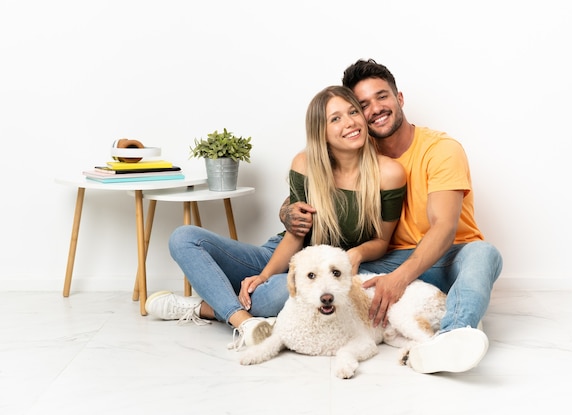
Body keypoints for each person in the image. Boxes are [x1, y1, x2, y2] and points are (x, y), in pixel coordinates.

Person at [280, 59, 503, 374]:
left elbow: (444, 228)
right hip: (386, 259)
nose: (375, 109)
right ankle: (225, 310)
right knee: (297, 286)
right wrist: (287, 212)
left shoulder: (441, 149)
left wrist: (400, 279)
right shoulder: (356, 145)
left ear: (399, 99)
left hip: (446, 258)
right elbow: (304, 189)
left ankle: (452, 337)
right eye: (363, 104)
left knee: (485, 253)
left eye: (382, 97)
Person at [146, 85, 407, 351]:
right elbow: (296, 235)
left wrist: (357, 254)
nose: (350, 122)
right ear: (321, 132)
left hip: (322, 272)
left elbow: (381, 241)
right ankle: (245, 322)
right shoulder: (305, 164)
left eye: (353, 112)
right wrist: (264, 274)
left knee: (281, 292)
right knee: (184, 238)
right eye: (336, 118)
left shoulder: (388, 173)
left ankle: (206, 308)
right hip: (283, 253)